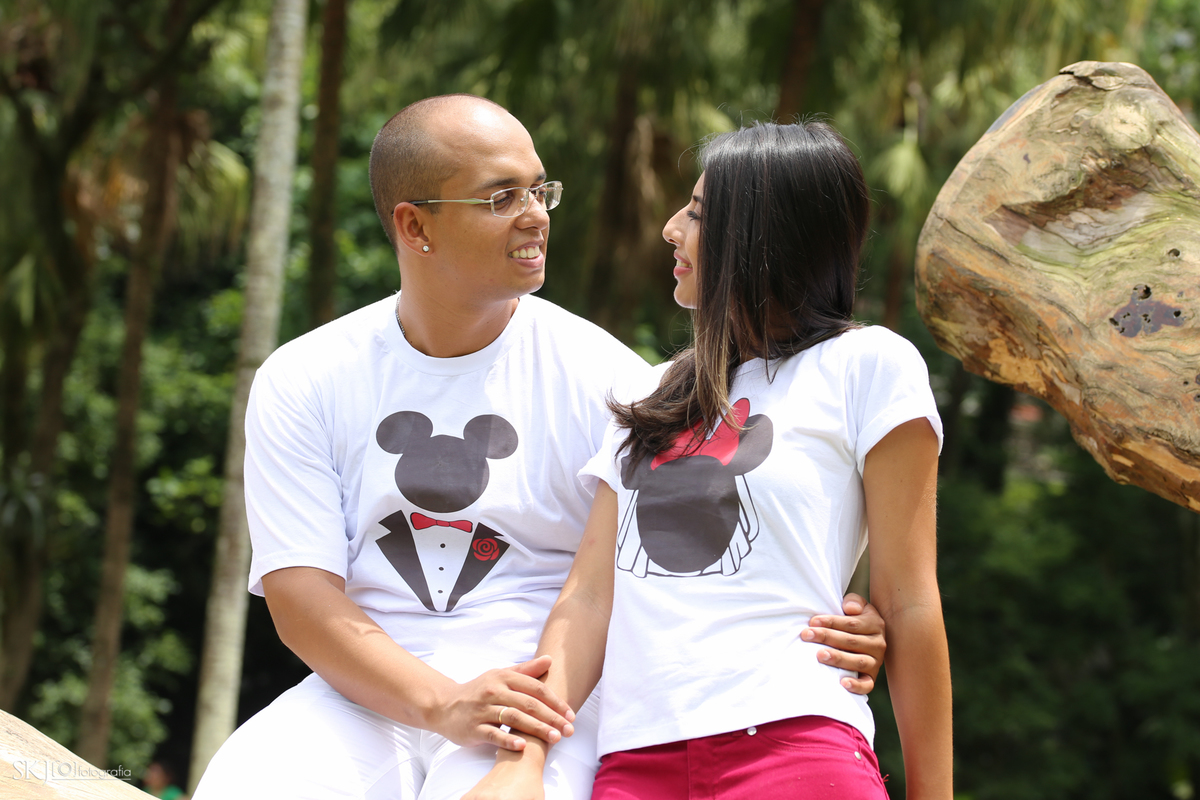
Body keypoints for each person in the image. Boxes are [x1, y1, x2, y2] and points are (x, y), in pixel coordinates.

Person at [193, 97, 889, 800]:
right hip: (365, 694)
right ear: (415, 225)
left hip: (549, 699)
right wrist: (440, 702)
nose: (535, 214)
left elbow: (731, 524)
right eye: (502, 197)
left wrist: (839, 615)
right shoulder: (306, 376)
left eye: (538, 189)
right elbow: (300, 593)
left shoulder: (616, 383)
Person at [467, 120, 952, 800]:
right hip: (633, 767)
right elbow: (589, 598)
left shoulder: (867, 365)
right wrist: (523, 761)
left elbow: (909, 602)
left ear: (763, 235)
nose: (671, 228)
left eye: (696, 214)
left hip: (796, 747)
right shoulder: (650, 393)